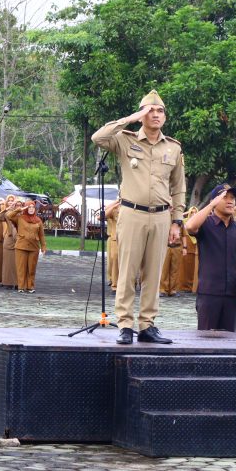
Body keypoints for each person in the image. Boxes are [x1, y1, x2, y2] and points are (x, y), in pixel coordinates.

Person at [91, 89, 186, 345]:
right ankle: (124, 324)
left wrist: (177, 222)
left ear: (165, 117)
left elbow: (178, 188)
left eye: (160, 111)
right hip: (132, 213)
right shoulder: (125, 139)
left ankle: (147, 325)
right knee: (127, 271)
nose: (155, 114)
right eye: (150, 110)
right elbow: (98, 137)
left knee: (153, 274)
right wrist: (131, 117)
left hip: (161, 217)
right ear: (142, 114)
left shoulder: (173, 148)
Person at [185, 184, 236, 332]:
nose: (230, 201)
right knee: (206, 341)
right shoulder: (205, 224)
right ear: (214, 201)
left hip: (232, 295)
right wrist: (211, 205)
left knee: (229, 341)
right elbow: (189, 227)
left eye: (232, 198)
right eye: (224, 197)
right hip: (209, 293)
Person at [6, 200, 47, 293]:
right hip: (21, 246)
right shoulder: (20, 218)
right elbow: (8, 216)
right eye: (29, 207)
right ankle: (21, 287)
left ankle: (30, 287)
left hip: (34, 247)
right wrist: (19, 209)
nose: (31, 209)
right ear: (26, 208)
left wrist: (43, 246)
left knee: (31, 268)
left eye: (33, 207)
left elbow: (41, 235)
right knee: (21, 267)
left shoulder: (38, 220)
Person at [0, 196, 19, 290]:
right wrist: (7, 209)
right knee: (8, 263)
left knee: (18, 263)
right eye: (9, 201)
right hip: (9, 239)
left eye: (13, 201)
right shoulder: (8, 213)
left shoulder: (23, 214)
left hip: (20, 239)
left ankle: (19, 282)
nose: (11, 203)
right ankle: (8, 282)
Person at [160, 217, 183, 297]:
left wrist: (185, 248)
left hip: (177, 247)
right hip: (166, 246)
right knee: (164, 269)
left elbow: (183, 235)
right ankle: (163, 289)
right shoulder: (163, 220)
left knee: (175, 270)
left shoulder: (179, 222)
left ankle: (173, 290)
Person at [104, 199, 121, 292]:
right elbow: (103, 213)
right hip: (113, 237)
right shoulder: (114, 208)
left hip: (125, 238)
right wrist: (117, 203)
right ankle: (113, 281)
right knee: (112, 262)